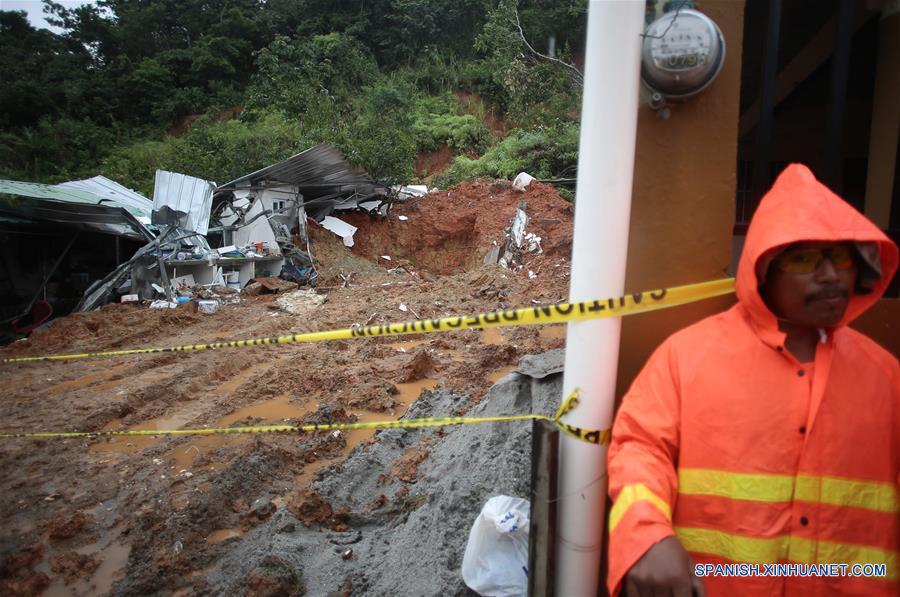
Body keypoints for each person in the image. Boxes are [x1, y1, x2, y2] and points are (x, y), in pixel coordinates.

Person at [606, 164, 899, 596]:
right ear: (764, 270)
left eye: (840, 257)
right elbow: (639, 448)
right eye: (805, 259)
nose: (831, 275)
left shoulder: (886, 377)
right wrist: (646, 538)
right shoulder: (687, 357)